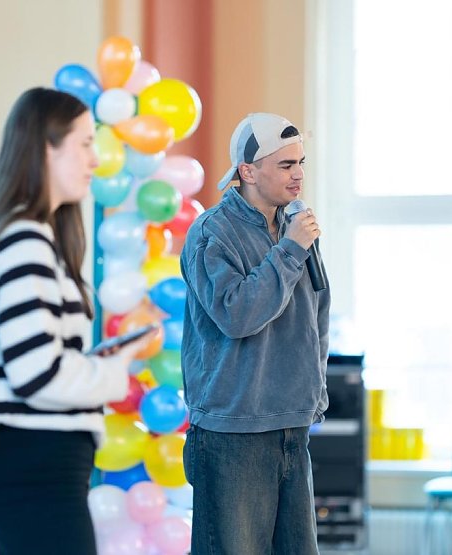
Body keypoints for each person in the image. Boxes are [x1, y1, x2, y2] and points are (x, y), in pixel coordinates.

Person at [0, 87, 151, 554]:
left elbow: (36, 359)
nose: (95, 159)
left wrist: (98, 362)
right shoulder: (26, 243)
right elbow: (37, 374)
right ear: (47, 147)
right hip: (35, 465)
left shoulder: (30, 239)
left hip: (35, 465)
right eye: (85, 143)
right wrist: (112, 370)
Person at [180, 112, 331, 554]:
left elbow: (316, 315)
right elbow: (238, 315)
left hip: (292, 424)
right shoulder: (212, 233)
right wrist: (290, 251)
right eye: (285, 165)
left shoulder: (296, 227)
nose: (298, 174)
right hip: (233, 434)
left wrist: (313, 397)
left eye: (301, 163)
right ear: (247, 171)